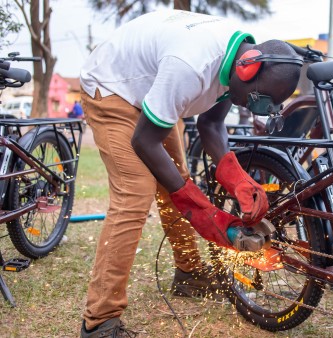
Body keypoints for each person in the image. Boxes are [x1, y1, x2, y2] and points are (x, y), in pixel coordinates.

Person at [79, 9, 302, 337]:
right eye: (256, 100)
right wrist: (202, 212)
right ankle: (99, 320)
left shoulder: (235, 64)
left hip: (152, 92)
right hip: (112, 88)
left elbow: (210, 124)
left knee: (175, 176)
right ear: (248, 67)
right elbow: (144, 141)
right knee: (135, 194)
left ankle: (189, 274)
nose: (251, 108)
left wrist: (237, 178)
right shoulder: (191, 65)